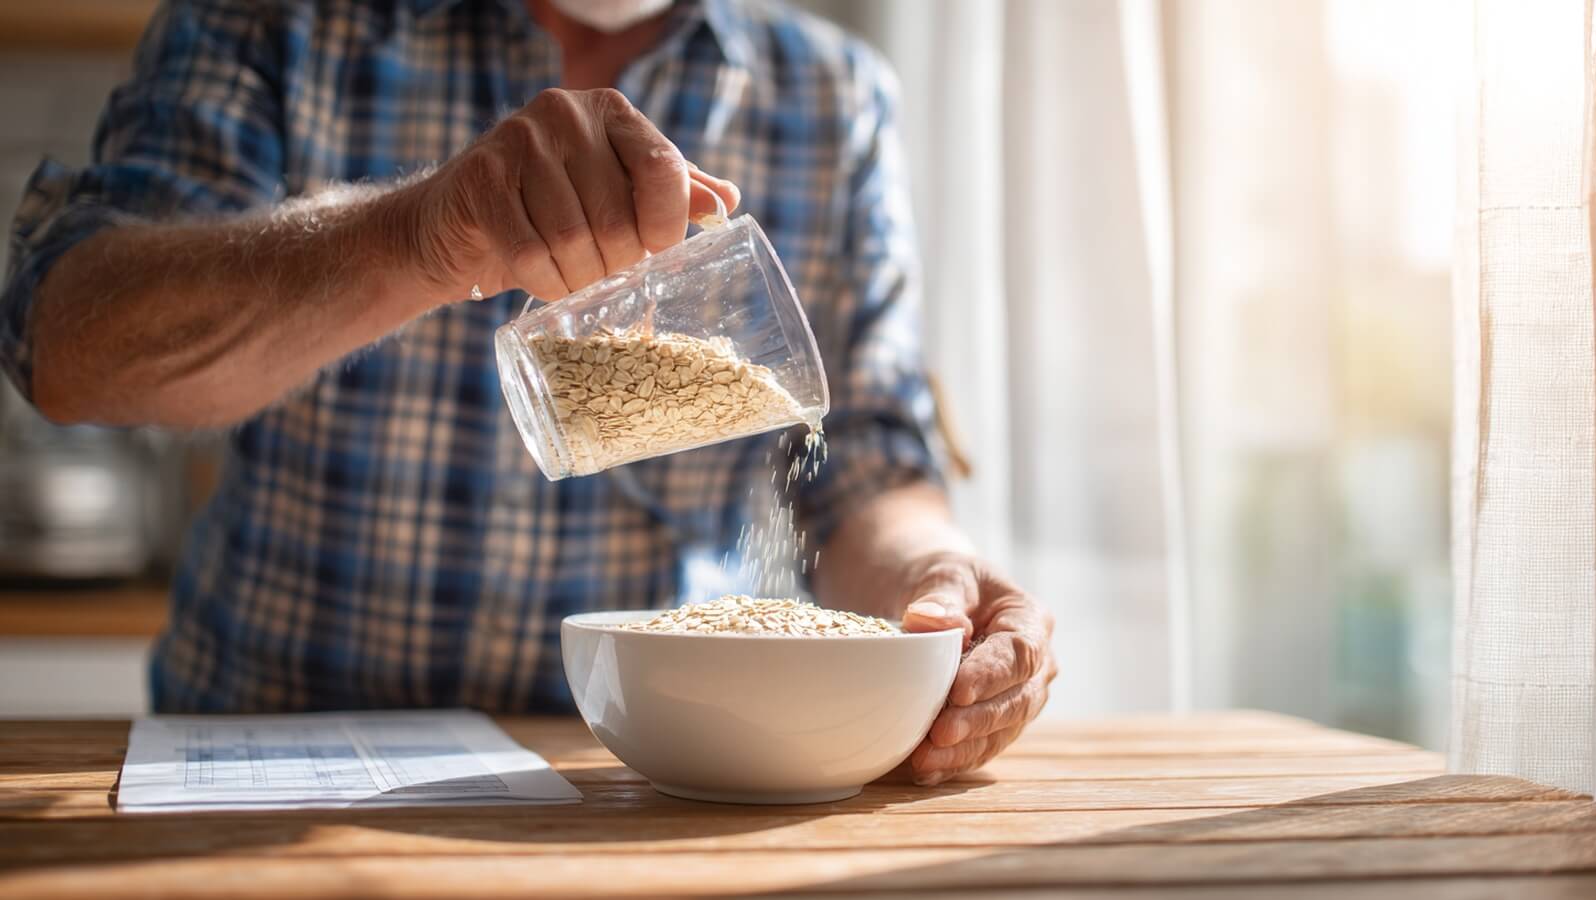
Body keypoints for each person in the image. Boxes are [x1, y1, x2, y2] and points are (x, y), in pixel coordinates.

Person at [0, 0, 1056, 785]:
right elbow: (69, 343)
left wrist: (939, 576)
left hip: (650, 772)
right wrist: (417, 236)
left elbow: (861, 455)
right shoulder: (284, 21)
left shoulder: (832, 94)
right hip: (268, 760)